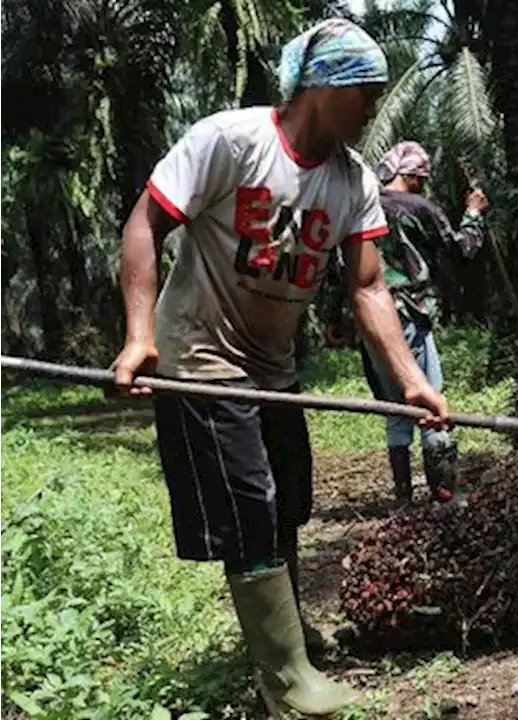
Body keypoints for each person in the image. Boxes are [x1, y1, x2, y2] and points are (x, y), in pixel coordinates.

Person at [109, 18, 449, 717]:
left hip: (273, 365)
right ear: (324, 86)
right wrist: (140, 335)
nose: (376, 109)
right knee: (250, 506)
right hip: (200, 355)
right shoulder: (231, 140)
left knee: (288, 503)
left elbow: (367, 286)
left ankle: (287, 638)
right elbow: (145, 223)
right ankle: (285, 680)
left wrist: (412, 381)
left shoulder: (352, 179)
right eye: (369, 94)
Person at [320, 140, 488, 505]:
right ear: (413, 175)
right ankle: (443, 493)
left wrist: (334, 315)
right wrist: (474, 213)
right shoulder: (420, 209)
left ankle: (403, 498)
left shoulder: (359, 207)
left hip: (368, 320)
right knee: (429, 396)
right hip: (408, 313)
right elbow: (463, 249)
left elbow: (337, 267)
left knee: (396, 403)